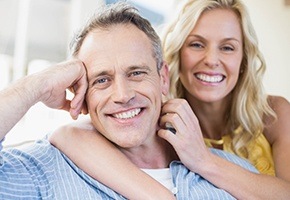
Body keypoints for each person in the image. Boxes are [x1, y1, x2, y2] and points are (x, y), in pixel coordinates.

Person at [0, 1, 259, 199]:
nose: (123, 95)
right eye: (102, 80)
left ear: (163, 79)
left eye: (136, 73)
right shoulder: (43, 170)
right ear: (81, 91)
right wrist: (34, 86)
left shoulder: (234, 173)